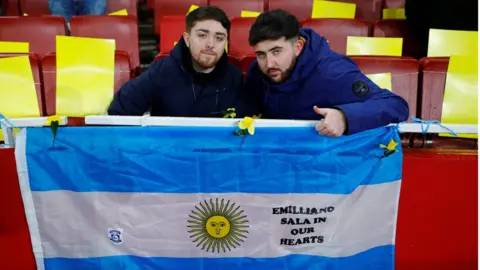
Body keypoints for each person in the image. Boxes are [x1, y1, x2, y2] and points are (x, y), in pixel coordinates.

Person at [245, 9, 409, 137]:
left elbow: (396, 105)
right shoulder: (257, 72)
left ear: (298, 47)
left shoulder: (333, 72)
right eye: (261, 54)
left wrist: (344, 117)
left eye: (276, 52)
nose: (269, 63)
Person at [108, 6, 247, 118]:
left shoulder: (235, 78)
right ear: (187, 39)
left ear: (225, 43)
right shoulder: (162, 71)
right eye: (202, 35)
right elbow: (120, 110)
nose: (210, 44)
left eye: (219, 38)